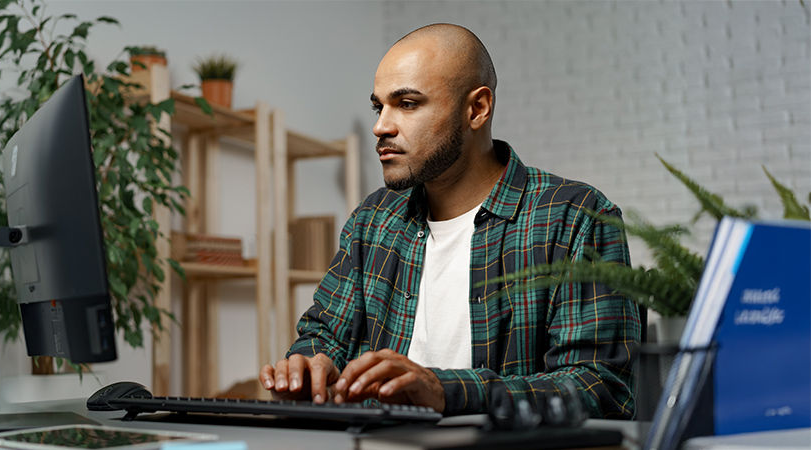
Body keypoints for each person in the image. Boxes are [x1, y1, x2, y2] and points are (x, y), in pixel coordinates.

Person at [258, 23, 641, 419]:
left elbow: (600, 388)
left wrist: (446, 390)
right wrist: (308, 366)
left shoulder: (575, 217)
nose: (381, 126)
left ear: (477, 109)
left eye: (407, 104)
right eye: (379, 106)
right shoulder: (371, 221)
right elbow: (324, 337)